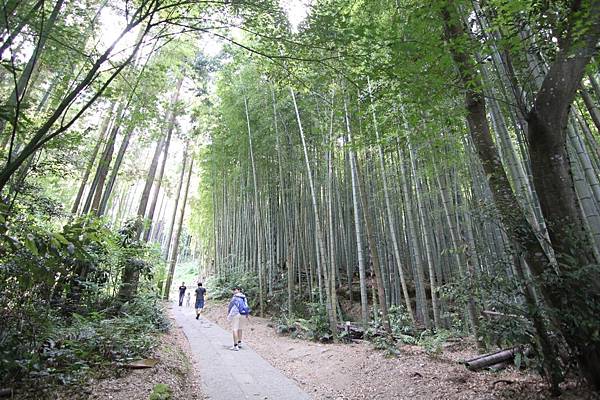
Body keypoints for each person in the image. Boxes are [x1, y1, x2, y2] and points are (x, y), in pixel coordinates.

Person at [227, 286, 249, 351]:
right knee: (240, 328)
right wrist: (247, 314)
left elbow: (230, 307)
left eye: (235, 290)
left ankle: (235, 345)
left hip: (236, 314)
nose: (234, 291)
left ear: (239, 290)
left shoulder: (234, 297)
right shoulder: (244, 297)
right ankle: (239, 343)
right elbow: (246, 305)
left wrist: (229, 315)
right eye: (233, 290)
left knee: (235, 329)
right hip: (243, 314)